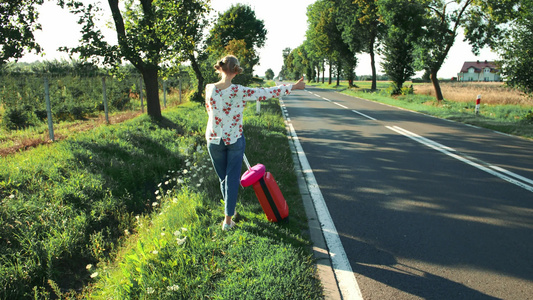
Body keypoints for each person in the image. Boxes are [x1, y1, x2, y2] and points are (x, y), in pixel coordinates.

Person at [205, 55, 305, 231]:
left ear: (220, 68)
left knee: (224, 178)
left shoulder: (209, 89)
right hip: (234, 139)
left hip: (213, 139)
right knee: (232, 179)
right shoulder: (239, 90)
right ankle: (227, 221)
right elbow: (266, 93)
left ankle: (231, 212)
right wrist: (294, 86)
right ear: (236, 71)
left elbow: (209, 111)